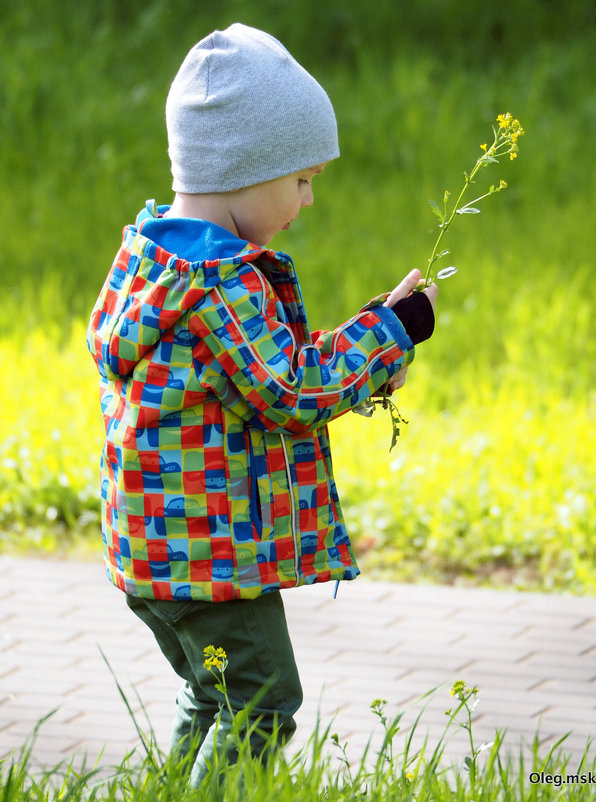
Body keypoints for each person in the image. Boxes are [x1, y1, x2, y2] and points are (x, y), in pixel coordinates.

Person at [86, 22, 438, 787]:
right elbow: (292, 389)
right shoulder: (223, 283)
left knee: (214, 694)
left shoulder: (151, 258)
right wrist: (393, 335)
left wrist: (370, 342)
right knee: (263, 698)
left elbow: (268, 372)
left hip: (157, 562)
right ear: (246, 170)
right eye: (302, 178)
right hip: (207, 568)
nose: (308, 199)